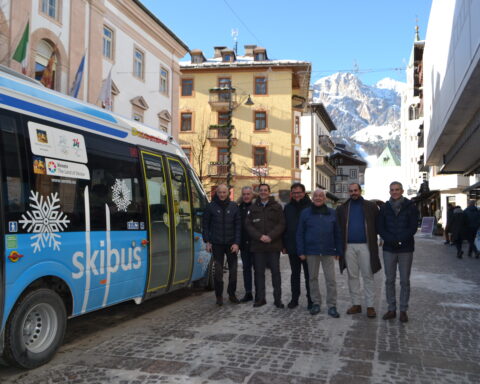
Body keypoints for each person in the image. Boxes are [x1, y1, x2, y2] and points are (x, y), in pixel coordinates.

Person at [336, 183, 380, 318]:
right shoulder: (342, 208)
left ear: (360, 191)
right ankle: (356, 304)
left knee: (368, 275)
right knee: (352, 276)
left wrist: (381, 238)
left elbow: (378, 224)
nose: (353, 193)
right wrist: (338, 249)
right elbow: (338, 229)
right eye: (351, 191)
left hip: (366, 246)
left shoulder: (371, 206)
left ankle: (370, 306)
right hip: (348, 247)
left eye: (355, 190)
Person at [297, 189, 342, 318]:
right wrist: (301, 251)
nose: (318, 198)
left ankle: (332, 305)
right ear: (312, 198)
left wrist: (338, 250)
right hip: (311, 251)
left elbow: (337, 233)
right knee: (312, 278)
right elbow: (300, 233)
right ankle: (316, 303)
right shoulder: (305, 213)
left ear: (325, 198)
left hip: (328, 251)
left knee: (331, 280)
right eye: (315, 196)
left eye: (321, 196)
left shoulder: (332, 213)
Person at [377, 181, 419, 323]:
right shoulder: (384, 207)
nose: (394, 192)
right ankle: (391, 309)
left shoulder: (410, 206)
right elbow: (380, 227)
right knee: (389, 280)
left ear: (402, 191)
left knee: (404, 281)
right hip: (389, 248)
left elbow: (413, 227)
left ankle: (403, 310)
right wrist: (390, 240)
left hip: (405, 248)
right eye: (392, 190)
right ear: (389, 192)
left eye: (397, 189)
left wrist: (400, 240)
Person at [245, 184, 285, 308]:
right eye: (261, 190)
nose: (263, 192)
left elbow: (282, 224)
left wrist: (270, 236)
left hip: (273, 245)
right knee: (259, 273)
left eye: (265, 190)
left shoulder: (277, 207)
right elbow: (248, 225)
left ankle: (277, 299)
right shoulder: (252, 207)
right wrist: (260, 237)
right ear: (258, 192)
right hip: (258, 246)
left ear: (269, 192)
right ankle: (260, 298)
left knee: (275, 273)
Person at [202, 184, 241, 306]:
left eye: (224, 192)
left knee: (233, 271)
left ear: (228, 193)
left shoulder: (234, 207)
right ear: (216, 193)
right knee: (218, 272)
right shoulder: (210, 207)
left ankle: (231, 294)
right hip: (216, 244)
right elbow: (205, 225)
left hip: (231, 244)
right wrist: (207, 241)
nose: (222, 195)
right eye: (220, 192)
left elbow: (238, 227)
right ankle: (219, 296)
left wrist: (236, 243)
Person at [282, 183, 313, 309]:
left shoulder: (311, 206)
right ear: (291, 194)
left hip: (308, 247)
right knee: (295, 274)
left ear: (304, 192)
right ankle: (295, 299)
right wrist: (283, 244)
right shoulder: (288, 207)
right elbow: (284, 227)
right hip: (292, 246)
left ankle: (311, 300)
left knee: (309, 275)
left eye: (299, 192)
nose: (296, 195)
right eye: (294, 193)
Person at [238, 186, 255, 302]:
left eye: (248, 194)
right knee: (246, 269)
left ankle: (259, 293)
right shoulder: (239, 208)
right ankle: (248, 292)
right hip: (244, 244)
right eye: (244, 194)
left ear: (252, 195)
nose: (246, 196)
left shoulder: (257, 208)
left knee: (258, 270)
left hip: (256, 244)